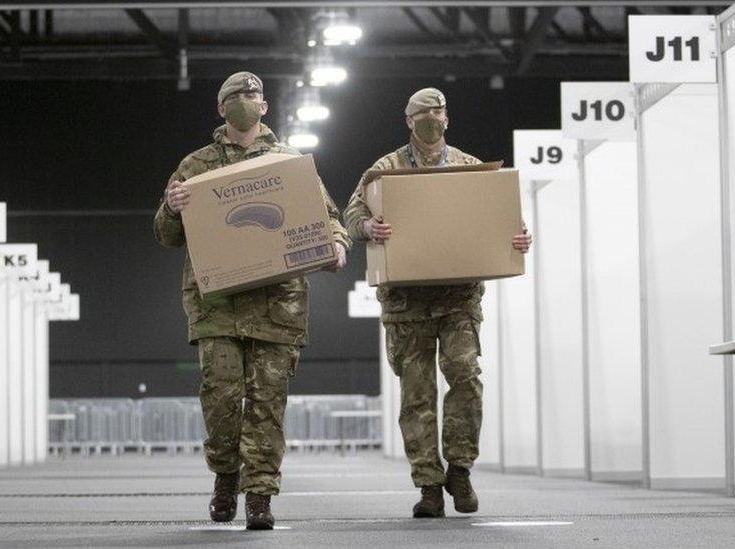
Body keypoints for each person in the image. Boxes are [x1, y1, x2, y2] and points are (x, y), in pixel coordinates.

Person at [153, 71, 351, 530]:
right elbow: (165, 235)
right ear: (221, 109)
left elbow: (330, 217)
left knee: (267, 405)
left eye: (254, 94)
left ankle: (259, 495)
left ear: (265, 106)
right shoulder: (195, 166)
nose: (246, 99)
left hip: (278, 306)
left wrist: (338, 245)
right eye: (236, 95)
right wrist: (171, 205)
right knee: (221, 403)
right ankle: (226, 474)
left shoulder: (290, 163)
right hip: (217, 306)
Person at [342, 87, 532, 518]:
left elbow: (502, 220)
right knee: (417, 394)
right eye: (423, 112)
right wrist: (368, 227)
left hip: (458, 297)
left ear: (448, 118)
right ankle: (428, 484)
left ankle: (460, 468)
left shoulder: (469, 168)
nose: (432, 118)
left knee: (464, 375)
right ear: (409, 121)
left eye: (439, 111)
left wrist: (518, 237)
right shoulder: (384, 170)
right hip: (406, 302)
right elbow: (352, 213)